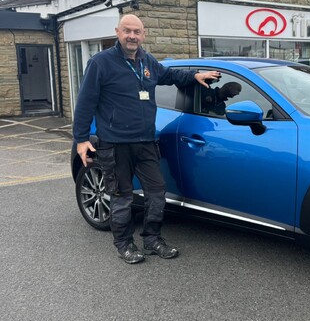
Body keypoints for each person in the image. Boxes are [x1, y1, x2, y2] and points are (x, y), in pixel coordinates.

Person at [73, 14, 220, 264]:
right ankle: (124, 243)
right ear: (117, 32)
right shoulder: (100, 63)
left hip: (145, 142)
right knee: (121, 195)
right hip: (115, 144)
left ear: (144, 34)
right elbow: (86, 102)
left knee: (156, 192)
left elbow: (169, 76)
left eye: (137, 31)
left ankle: (152, 239)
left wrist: (195, 75)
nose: (132, 36)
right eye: (127, 31)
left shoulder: (147, 60)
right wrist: (81, 138)